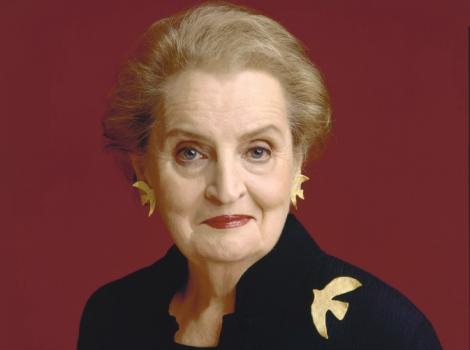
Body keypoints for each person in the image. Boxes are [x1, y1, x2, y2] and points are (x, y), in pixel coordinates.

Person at [77, 2, 442, 349]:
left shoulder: (383, 334)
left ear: (297, 161)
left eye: (257, 151)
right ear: (145, 168)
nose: (226, 189)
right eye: (191, 152)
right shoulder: (112, 318)